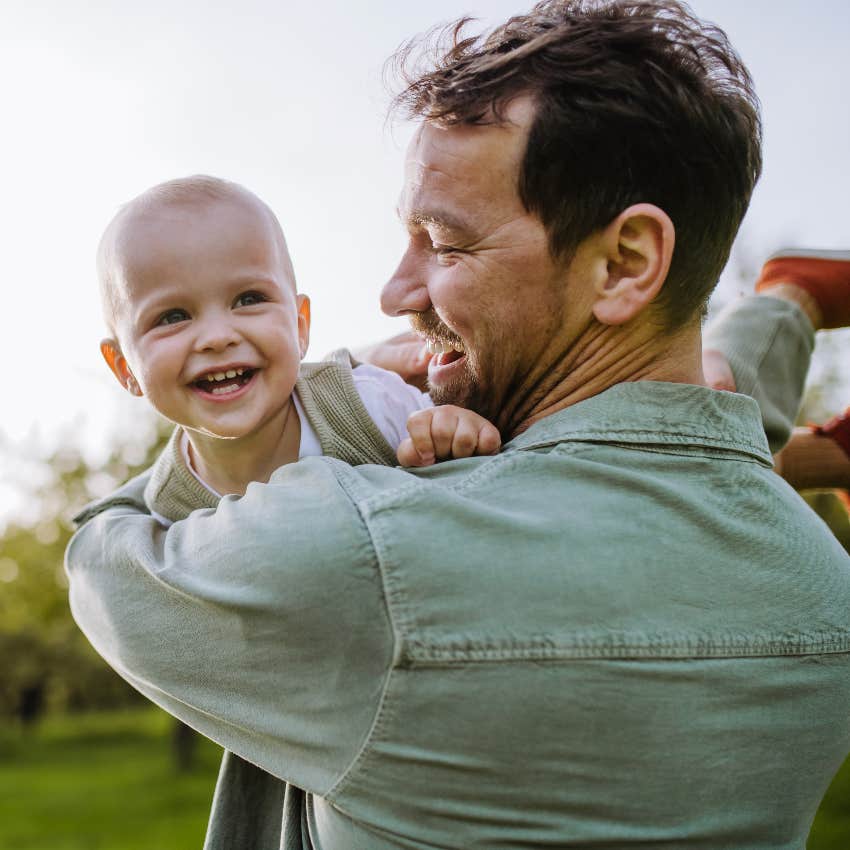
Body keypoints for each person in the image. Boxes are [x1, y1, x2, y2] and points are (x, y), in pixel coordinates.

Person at [66, 2, 850, 849]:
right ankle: (789, 303)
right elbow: (682, 418)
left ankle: (787, 301)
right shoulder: (823, 588)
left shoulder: (354, 548)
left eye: (443, 244)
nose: (395, 294)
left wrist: (316, 388)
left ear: (623, 263)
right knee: (713, 396)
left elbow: (102, 560)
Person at [90, 174, 502, 528]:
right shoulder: (167, 506)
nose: (217, 336)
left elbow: (465, 471)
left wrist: (451, 432)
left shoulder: (365, 403)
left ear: (300, 325)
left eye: (248, 299)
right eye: (172, 316)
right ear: (124, 366)